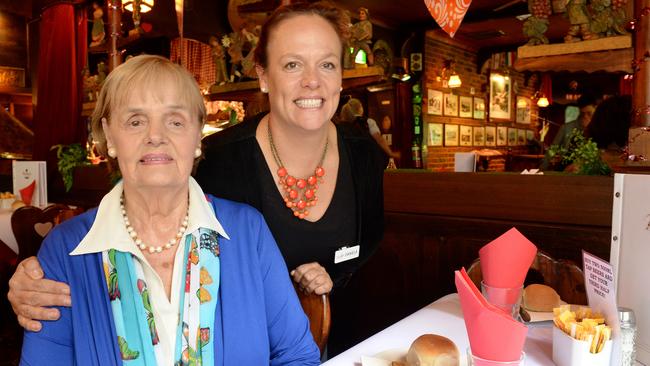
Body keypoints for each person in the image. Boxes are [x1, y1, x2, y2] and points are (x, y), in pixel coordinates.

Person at [8, 1, 386, 352]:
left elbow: (365, 244)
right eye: (292, 64)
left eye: (327, 64)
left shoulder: (362, 155)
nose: (312, 81)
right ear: (263, 76)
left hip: (353, 336)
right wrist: (34, 276)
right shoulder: (222, 163)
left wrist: (330, 283)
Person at [18, 55, 320, 365]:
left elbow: (297, 355)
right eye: (136, 121)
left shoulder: (247, 231)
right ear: (109, 136)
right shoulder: (64, 251)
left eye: (175, 121)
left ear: (197, 136)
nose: (156, 136)